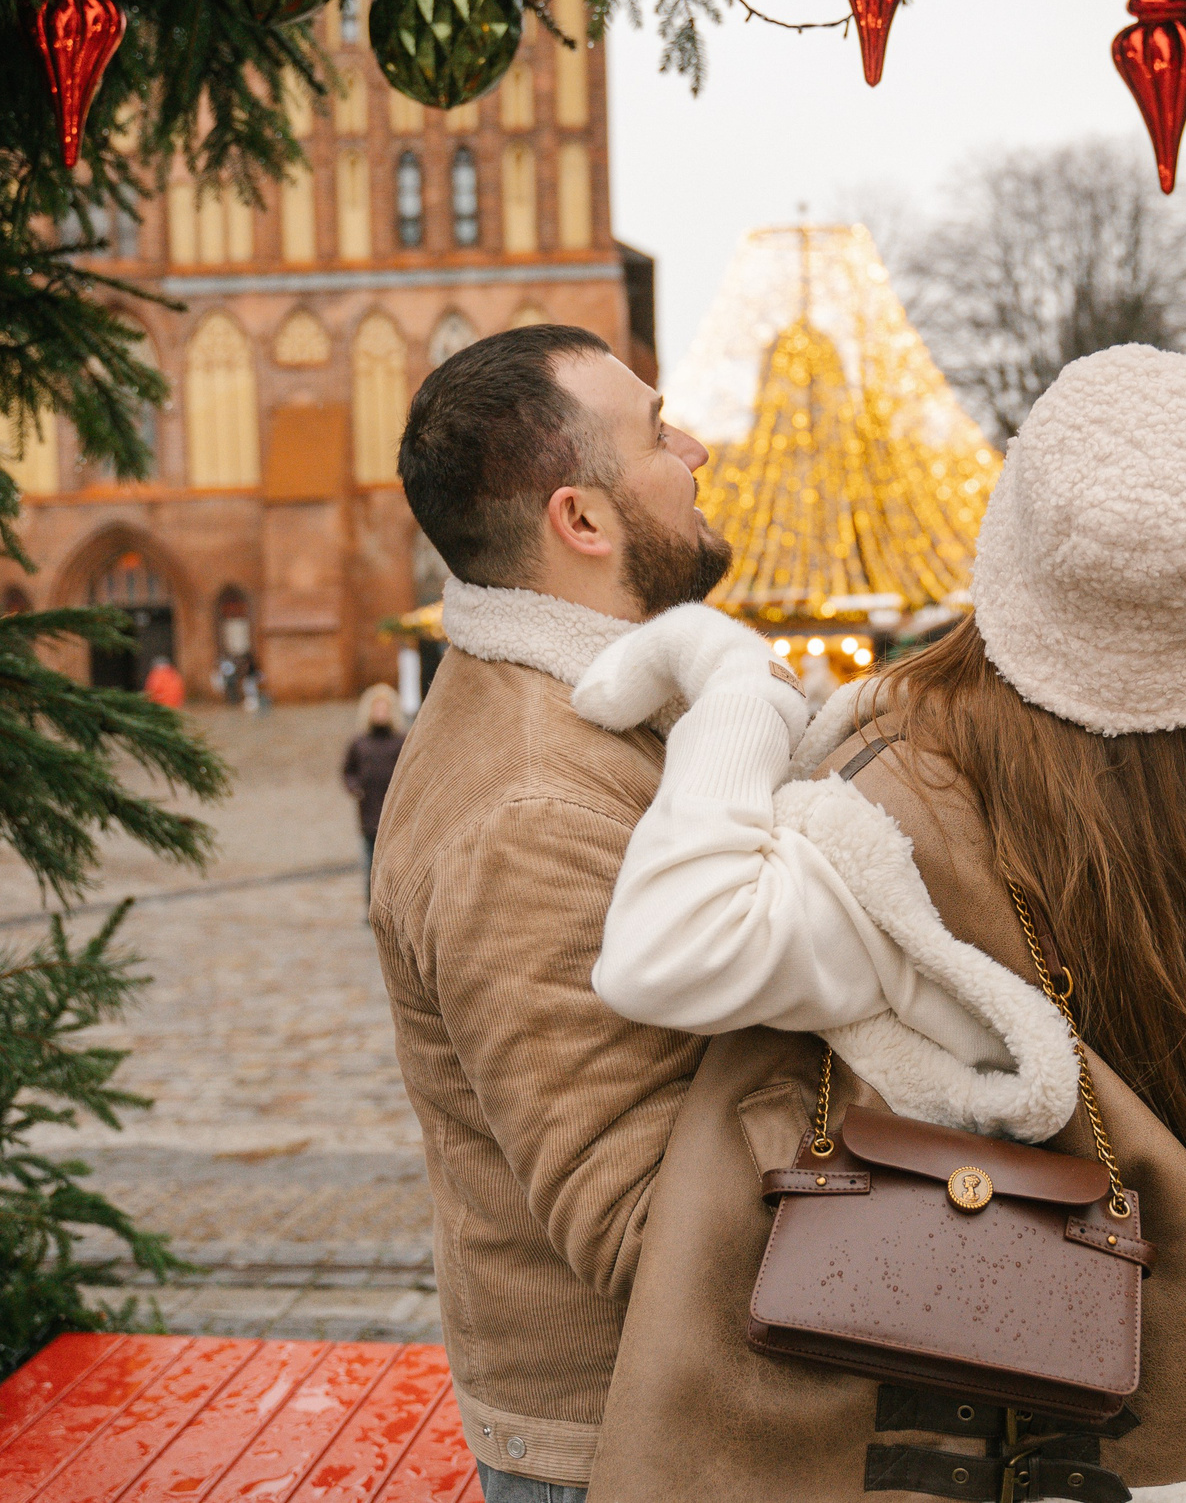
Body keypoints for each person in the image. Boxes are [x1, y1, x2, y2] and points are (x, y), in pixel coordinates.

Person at [567, 39, 1186, 1500]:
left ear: (1017, 548)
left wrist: (723, 678)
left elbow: (664, 950)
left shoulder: (905, 794)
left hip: (1042, 1411)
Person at [367, 324, 768, 1503]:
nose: (693, 448)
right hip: (635, 1447)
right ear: (581, 521)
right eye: (656, 432)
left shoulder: (597, 712)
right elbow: (645, 1223)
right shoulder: (530, 806)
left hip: (684, 1416)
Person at [342, 683, 406, 891]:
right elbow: (348, 771)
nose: (380, 713)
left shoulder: (400, 742)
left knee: (396, 865)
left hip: (395, 814)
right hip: (369, 811)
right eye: (376, 708)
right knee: (370, 864)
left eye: (384, 708)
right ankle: (371, 905)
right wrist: (355, 787)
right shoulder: (359, 743)